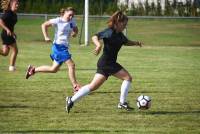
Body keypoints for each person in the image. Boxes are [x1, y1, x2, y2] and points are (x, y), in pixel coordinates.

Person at [66, 11, 142, 113]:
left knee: (92, 86)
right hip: (108, 63)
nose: (125, 26)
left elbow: (126, 42)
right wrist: (98, 45)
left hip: (105, 63)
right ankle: (122, 103)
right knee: (128, 78)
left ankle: (71, 100)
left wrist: (136, 43)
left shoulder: (120, 35)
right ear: (117, 23)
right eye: (124, 24)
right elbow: (94, 36)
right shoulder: (109, 32)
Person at [25, 7, 80, 93]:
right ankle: (75, 86)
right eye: (69, 15)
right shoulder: (58, 20)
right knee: (71, 65)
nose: (71, 17)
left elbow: (76, 29)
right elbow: (44, 25)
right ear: (65, 12)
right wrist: (46, 37)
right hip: (58, 47)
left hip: (64, 47)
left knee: (54, 69)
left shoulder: (72, 21)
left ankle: (33, 70)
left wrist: (75, 33)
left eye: (72, 16)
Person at [0, 0, 19, 71]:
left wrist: (13, 32)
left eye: (18, 4)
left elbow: (10, 25)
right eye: (16, 4)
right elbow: (0, 21)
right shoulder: (8, 13)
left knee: (5, 53)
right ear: (11, 4)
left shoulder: (14, 14)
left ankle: (11, 67)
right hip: (6, 34)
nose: (17, 5)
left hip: (8, 34)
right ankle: (11, 67)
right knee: (15, 50)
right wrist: (7, 29)